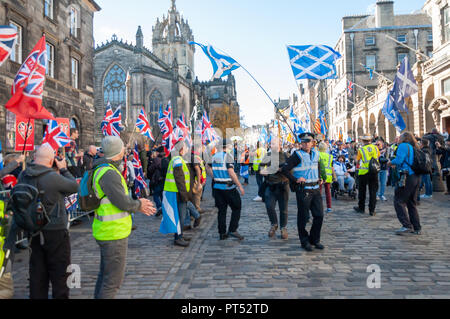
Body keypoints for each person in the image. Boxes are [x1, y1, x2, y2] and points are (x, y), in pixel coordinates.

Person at [93, 136, 156, 299]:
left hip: (109, 231)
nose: (125, 150)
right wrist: (139, 205)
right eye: (122, 148)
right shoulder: (108, 173)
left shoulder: (106, 169)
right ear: (116, 153)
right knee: (113, 281)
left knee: (105, 276)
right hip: (112, 232)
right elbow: (121, 201)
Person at [15, 145, 79, 299]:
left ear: (35, 157)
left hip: (33, 230)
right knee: (60, 273)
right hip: (55, 230)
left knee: (37, 273)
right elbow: (74, 186)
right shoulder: (52, 177)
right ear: (51, 161)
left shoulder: (24, 175)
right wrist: (63, 169)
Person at [282, 133, 324, 252]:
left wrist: (320, 177)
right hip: (303, 189)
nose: (306, 144)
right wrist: (295, 179)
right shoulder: (297, 155)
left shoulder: (316, 153)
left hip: (315, 188)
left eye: (308, 142)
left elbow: (317, 166)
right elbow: (285, 169)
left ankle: (314, 239)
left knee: (319, 215)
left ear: (312, 143)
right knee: (303, 217)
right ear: (301, 143)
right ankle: (304, 241)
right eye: (303, 142)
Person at [207, 139, 245, 241]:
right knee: (237, 207)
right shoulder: (227, 156)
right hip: (228, 187)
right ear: (227, 146)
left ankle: (222, 233)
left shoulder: (214, 156)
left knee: (222, 211)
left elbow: (207, 167)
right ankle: (232, 229)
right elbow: (231, 172)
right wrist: (239, 186)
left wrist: (214, 177)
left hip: (217, 187)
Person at [388, 132, 422, 236]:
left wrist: (390, 162)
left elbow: (399, 160)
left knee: (399, 201)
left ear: (404, 138)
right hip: (415, 176)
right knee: (411, 203)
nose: (398, 138)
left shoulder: (403, 146)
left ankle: (406, 225)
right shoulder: (414, 146)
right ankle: (416, 227)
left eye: (400, 136)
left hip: (406, 176)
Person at [163, 140, 192, 247]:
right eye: (186, 147)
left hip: (176, 191)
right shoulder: (177, 160)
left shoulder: (177, 159)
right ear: (181, 149)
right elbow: (180, 179)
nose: (187, 149)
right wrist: (185, 195)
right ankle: (178, 238)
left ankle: (180, 234)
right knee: (180, 216)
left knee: (181, 215)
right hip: (177, 192)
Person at [260, 138, 289, 240]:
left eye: (274, 144)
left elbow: (292, 170)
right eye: (271, 144)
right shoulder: (267, 156)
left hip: (283, 185)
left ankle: (283, 228)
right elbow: (261, 170)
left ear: (280, 145)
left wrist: (283, 170)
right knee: (269, 206)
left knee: (283, 209)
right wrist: (270, 170)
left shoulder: (286, 156)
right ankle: (274, 224)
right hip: (271, 185)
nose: (272, 146)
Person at [354, 135, 380, 216]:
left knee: (362, 191)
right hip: (374, 171)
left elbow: (357, 160)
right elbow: (378, 156)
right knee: (373, 191)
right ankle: (372, 210)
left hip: (364, 172)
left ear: (363, 141)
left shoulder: (361, 149)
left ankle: (361, 208)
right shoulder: (375, 147)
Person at [148, 146, 166, 216]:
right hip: (164, 179)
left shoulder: (156, 159)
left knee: (155, 195)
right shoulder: (165, 159)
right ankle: (163, 208)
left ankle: (159, 207)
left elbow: (150, 169)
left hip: (157, 179)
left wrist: (151, 163)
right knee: (161, 195)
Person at [318, 142, 334, 214]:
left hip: (320, 176)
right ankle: (329, 207)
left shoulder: (317, 155)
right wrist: (334, 176)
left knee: (319, 193)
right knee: (328, 192)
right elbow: (331, 166)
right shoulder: (330, 156)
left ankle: (319, 207)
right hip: (328, 176)